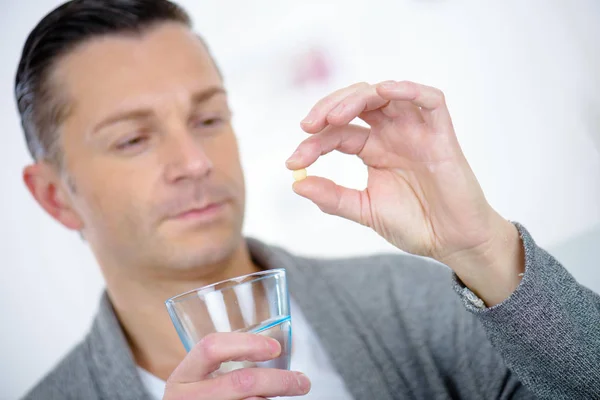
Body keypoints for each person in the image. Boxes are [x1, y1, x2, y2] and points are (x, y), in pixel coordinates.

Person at [14, 1, 599, 399]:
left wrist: (483, 248)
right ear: (54, 197)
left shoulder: (415, 302)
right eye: (134, 139)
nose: (195, 160)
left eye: (209, 116)